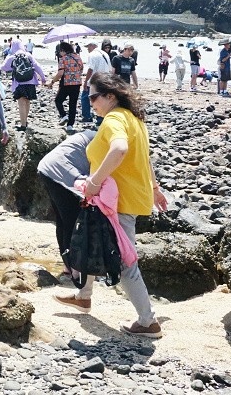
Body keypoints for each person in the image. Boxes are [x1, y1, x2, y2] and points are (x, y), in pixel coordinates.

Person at [54, 72, 169, 339]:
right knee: (90, 239)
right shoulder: (134, 120)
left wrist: (94, 181)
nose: (89, 101)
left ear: (110, 96)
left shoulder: (115, 119)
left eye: (93, 96)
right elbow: (144, 158)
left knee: (125, 261)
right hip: (119, 199)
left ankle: (148, 321)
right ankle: (84, 295)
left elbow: (119, 150)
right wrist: (155, 189)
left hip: (117, 202)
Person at [38, 130, 97, 282]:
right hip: (60, 173)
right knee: (72, 221)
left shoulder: (93, 134)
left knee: (63, 220)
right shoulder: (104, 141)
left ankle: (68, 267)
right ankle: (75, 269)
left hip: (46, 167)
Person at [1, 42, 46, 131]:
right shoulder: (28, 55)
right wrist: (43, 78)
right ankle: (25, 121)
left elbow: (3, 67)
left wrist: (12, 66)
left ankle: (23, 125)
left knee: (21, 103)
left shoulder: (12, 57)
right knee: (27, 101)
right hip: (30, 82)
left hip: (19, 83)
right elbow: (37, 66)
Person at [47, 42, 84, 133]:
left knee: (58, 100)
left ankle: (63, 116)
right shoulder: (78, 57)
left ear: (63, 50)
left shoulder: (63, 59)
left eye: (60, 51)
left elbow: (60, 73)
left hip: (66, 84)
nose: (59, 53)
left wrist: (52, 82)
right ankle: (70, 125)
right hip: (77, 84)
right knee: (73, 104)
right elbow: (81, 69)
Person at [81, 42, 109, 123]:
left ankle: (87, 117)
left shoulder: (92, 55)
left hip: (94, 80)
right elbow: (109, 69)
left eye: (88, 47)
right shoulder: (105, 54)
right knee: (101, 99)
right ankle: (100, 118)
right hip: (104, 80)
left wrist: (86, 81)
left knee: (85, 97)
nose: (87, 49)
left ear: (92, 46)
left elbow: (90, 69)